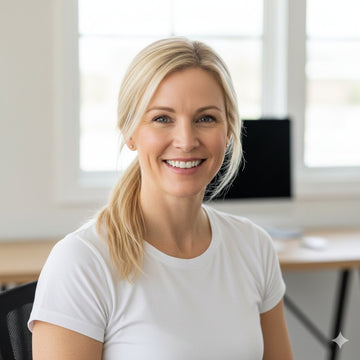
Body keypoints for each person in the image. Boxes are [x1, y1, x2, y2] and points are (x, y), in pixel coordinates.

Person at [28, 37, 294, 360]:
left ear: (228, 132)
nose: (185, 140)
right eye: (162, 118)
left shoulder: (255, 247)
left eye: (206, 118)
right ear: (130, 133)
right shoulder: (82, 263)